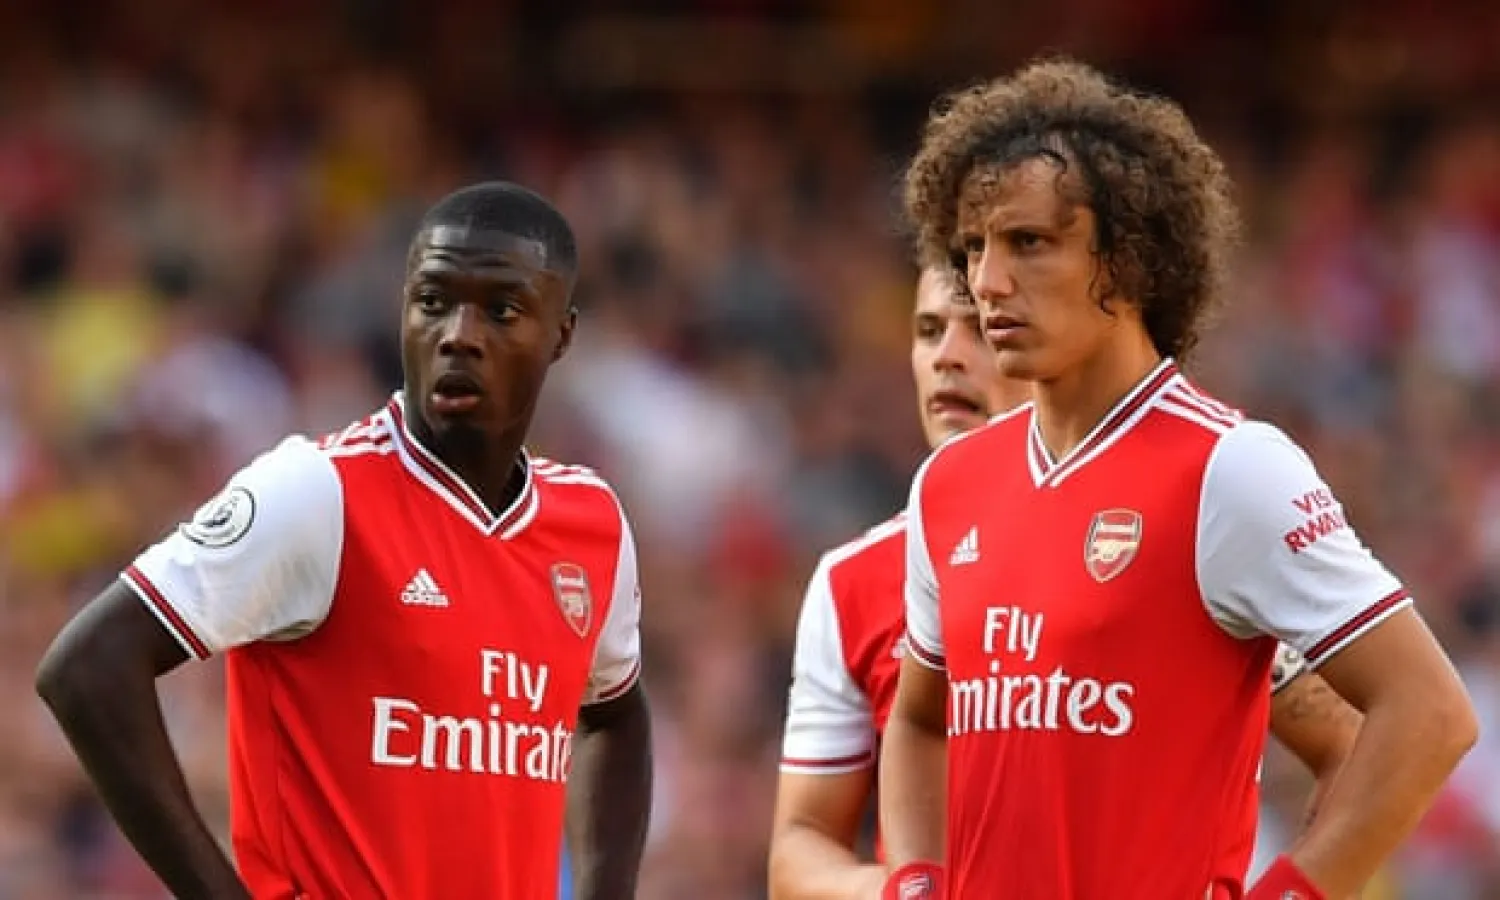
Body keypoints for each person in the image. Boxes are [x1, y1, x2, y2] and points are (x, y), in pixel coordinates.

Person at [877, 59, 1478, 900]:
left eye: (1030, 242)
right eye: (974, 247)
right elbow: (917, 720)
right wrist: (912, 884)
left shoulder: (1230, 469)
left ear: (1127, 260)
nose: (987, 283)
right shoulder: (950, 483)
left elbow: (1428, 714)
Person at [35, 182, 653, 900]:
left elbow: (615, 714)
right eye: (432, 301)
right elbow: (87, 668)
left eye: (502, 310)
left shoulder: (590, 522)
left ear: (562, 334)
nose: (458, 332)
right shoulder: (319, 491)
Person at [770, 268, 1364, 900]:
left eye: (975, 328)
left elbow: (1352, 746)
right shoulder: (850, 583)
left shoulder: (1177, 531)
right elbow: (799, 846)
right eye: (927, 331)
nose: (947, 356)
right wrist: (908, 893)